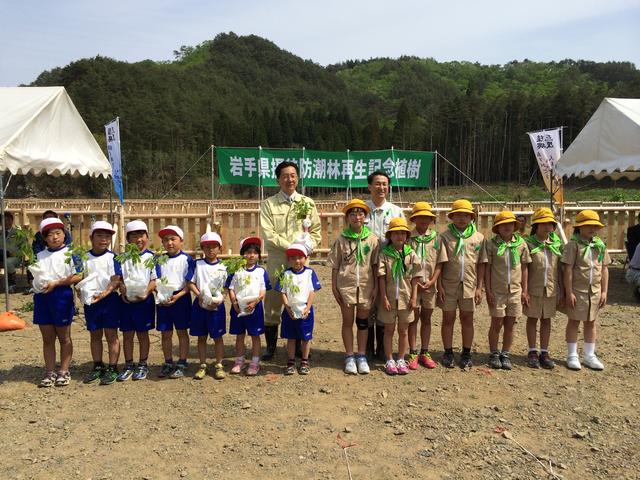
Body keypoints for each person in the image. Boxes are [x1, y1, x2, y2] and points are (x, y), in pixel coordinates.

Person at [260, 161, 321, 361]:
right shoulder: (269, 204)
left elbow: (316, 232)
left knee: (301, 300)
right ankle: (270, 345)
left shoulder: (307, 203)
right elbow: (269, 235)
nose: (290, 179)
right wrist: (293, 249)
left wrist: (307, 247)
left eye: (293, 175)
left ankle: (298, 346)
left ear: (298, 178)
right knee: (273, 301)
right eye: (285, 176)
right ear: (278, 179)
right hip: (278, 261)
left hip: (301, 264)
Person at [327, 199, 380, 375]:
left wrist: (376, 288)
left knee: (363, 323)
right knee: (347, 321)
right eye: (353, 214)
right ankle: (349, 355)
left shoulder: (372, 239)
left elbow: (375, 266)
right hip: (346, 286)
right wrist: (334, 287)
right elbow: (335, 265)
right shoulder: (341, 239)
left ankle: (362, 354)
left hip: (366, 286)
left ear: (365, 217)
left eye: (360, 213)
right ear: (347, 218)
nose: (357, 217)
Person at [437, 199, 487, 368]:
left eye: (465, 215)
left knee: (467, 318)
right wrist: (440, 285)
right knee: (448, 318)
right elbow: (440, 263)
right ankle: (448, 352)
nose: (461, 218)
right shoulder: (444, 237)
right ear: (452, 217)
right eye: (458, 215)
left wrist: (480, 287)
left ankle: (466, 352)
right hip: (449, 284)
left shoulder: (479, 238)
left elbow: (481, 263)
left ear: (471, 217)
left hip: (470, 284)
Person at [32, 218, 81, 387]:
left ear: (64, 234)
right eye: (50, 234)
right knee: (47, 338)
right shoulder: (39, 255)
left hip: (61, 296)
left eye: (58, 233)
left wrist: (57, 283)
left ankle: (64, 370)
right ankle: (49, 371)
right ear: (44, 238)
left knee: (64, 336)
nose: (54, 237)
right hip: (42, 298)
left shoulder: (71, 253)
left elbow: (79, 275)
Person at [561, 210, 610, 371]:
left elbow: (604, 269)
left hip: (594, 291)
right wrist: (569, 292)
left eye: (594, 226)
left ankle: (589, 355)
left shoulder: (600, 245)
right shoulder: (573, 245)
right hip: (578, 290)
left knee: (591, 322)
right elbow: (567, 269)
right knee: (574, 321)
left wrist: (604, 291)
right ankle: (572, 354)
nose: (592, 229)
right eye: (587, 225)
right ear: (579, 227)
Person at [365, 170, 405, 361]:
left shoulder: (396, 211)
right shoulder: (362, 210)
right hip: (365, 265)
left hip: (389, 267)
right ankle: (366, 348)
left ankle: (382, 348)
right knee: (367, 304)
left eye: (385, 184)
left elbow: (402, 238)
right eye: (377, 184)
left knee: (384, 304)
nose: (381, 187)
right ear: (369, 186)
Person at [484, 211, 531, 370]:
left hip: (516, 291)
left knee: (511, 323)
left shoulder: (521, 244)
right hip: (498, 291)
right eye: (502, 224)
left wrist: (525, 290)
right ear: (497, 227)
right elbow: (488, 269)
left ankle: (505, 353)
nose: (506, 227)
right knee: (496, 322)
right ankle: (494, 353)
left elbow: (524, 268)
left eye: (510, 224)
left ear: (515, 226)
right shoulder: (491, 245)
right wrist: (488, 290)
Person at [79, 221, 123, 385]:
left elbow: (116, 280)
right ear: (91, 237)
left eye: (107, 236)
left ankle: (113, 367)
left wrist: (104, 294)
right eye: (99, 235)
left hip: (109, 300)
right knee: (95, 334)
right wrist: (80, 292)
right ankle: (98, 365)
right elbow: (80, 279)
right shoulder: (84, 257)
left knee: (111, 335)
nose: (103, 239)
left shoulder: (113, 257)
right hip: (91, 301)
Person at [377, 218, 421, 375]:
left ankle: (401, 358)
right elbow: (381, 277)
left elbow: (416, 277)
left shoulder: (411, 255)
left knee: (403, 331)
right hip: (389, 299)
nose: (399, 236)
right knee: (389, 330)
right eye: (395, 233)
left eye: (403, 233)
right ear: (390, 236)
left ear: (407, 236)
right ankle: (389, 359)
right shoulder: (384, 255)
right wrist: (384, 298)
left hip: (406, 298)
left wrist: (414, 297)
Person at [117, 220, 157, 381]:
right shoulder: (122, 258)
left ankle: (142, 363)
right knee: (127, 334)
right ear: (128, 239)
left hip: (144, 302)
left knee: (142, 333)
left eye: (141, 235)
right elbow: (119, 278)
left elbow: (154, 280)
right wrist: (122, 289)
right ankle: (128, 364)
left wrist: (146, 293)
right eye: (134, 236)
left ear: (147, 237)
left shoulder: (152, 257)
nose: (138, 239)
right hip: (126, 302)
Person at [407, 202, 445, 369]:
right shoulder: (408, 237)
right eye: (420, 216)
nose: (423, 219)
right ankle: (413, 352)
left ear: (431, 219)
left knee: (427, 318)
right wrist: (414, 282)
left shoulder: (437, 238)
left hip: (430, 285)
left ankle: (425, 350)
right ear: (414, 219)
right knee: (413, 319)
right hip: (412, 286)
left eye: (427, 217)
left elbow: (439, 263)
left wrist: (433, 280)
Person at [226, 237, 271, 376]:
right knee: (239, 335)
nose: (251, 255)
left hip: (255, 309)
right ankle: (239, 361)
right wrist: (234, 303)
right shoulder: (236, 270)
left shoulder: (261, 271)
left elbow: (263, 290)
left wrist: (256, 301)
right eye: (248, 252)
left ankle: (255, 362)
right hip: (238, 308)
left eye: (254, 252)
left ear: (258, 255)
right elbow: (231, 288)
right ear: (242, 254)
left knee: (255, 335)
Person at [524, 208, 563, 369]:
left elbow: (560, 268)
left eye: (550, 224)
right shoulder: (528, 243)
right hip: (534, 288)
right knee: (532, 319)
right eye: (543, 224)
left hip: (551, 289)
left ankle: (544, 351)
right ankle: (533, 350)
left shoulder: (557, 245)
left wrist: (563, 290)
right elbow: (524, 268)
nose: (547, 227)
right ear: (536, 226)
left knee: (546, 320)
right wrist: (524, 290)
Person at [155, 225, 195, 379]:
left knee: (182, 331)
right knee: (166, 333)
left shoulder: (187, 260)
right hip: (163, 299)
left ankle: (182, 361)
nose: (169, 243)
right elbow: (155, 280)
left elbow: (189, 283)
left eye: (173, 239)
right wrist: (159, 294)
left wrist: (178, 296)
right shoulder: (159, 260)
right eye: (166, 240)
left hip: (181, 298)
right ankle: (168, 362)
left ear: (181, 241)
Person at [276, 243, 321, 375]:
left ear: (305, 258)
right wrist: (287, 307)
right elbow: (282, 292)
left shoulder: (310, 272)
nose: (297, 261)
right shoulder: (285, 273)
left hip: (305, 310)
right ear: (289, 260)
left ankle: (304, 361)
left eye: (300, 257)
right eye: (293, 258)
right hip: (290, 311)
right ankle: (290, 362)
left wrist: (307, 308)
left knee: (306, 338)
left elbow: (312, 291)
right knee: (291, 337)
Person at [188, 232, 228, 380]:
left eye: (214, 246)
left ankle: (219, 365)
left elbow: (226, 287)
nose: (211, 250)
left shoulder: (224, 266)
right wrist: (200, 296)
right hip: (199, 305)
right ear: (202, 248)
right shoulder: (197, 264)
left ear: (220, 248)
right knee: (201, 337)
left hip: (217, 307)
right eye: (207, 247)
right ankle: (202, 365)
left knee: (218, 337)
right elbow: (190, 282)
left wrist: (221, 299)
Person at [0, 212, 21, 291]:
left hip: (15, 257)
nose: (6, 222)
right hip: (1, 256)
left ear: (12, 221)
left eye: (8, 220)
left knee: (7, 262)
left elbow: (24, 247)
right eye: (4, 220)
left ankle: (11, 284)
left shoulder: (19, 233)